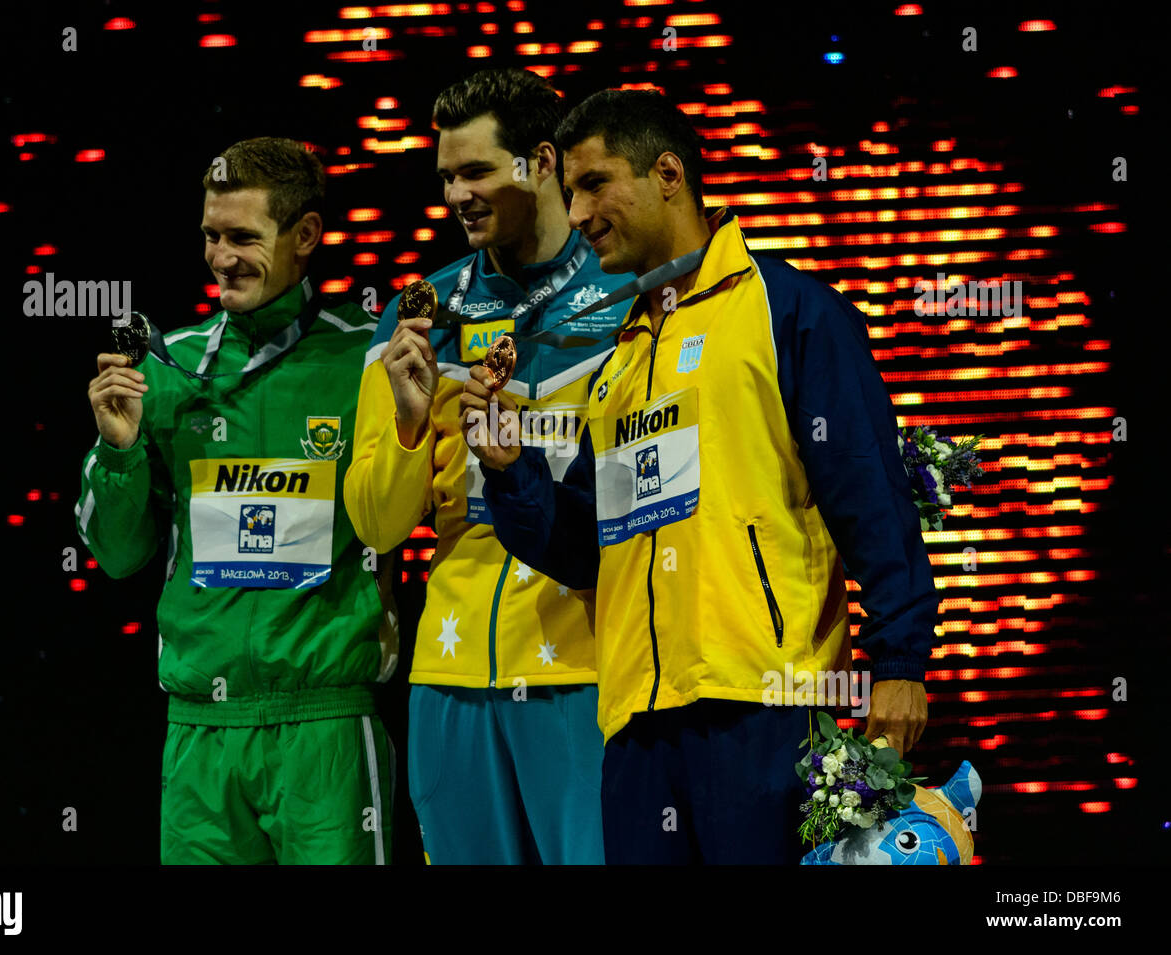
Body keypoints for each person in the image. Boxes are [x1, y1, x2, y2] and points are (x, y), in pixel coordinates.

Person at [462, 89, 941, 864]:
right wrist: (511, 469)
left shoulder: (790, 311)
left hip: (769, 709)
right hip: (637, 723)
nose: (576, 214)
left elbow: (870, 497)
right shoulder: (619, 359)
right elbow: (587, 548)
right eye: (569, 191)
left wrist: (900, 664)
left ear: (668, 174)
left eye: (594, 184)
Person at [76, 137, 397, 864]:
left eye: (244, 237)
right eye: (211, 237)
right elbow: (118, 556)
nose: (222, 258)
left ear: (306, 236)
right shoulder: (166, 366)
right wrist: (118, 451)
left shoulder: (366, 358)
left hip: (325, 729)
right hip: (198, 735)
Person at [343, 68, 634, 864]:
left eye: (475, 171)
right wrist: (407, 422)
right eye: (445, 176)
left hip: (589, 667)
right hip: (451, 674)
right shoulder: (418, 319)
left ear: (541, 162)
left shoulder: (630, 303)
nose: (456, 194)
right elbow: (375, 521)